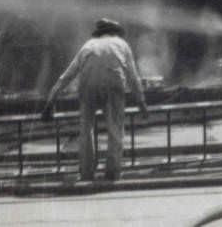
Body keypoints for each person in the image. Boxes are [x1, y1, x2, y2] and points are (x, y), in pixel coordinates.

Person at [41, 18, 149, 181]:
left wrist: (50, 102)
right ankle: (112, 173)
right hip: (113, 83)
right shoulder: (121, 44)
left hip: (87, 85)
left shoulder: (88, 45)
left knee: (86, 130)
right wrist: (141, 102)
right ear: (115, 32)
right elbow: (133, 77)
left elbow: (67, 76)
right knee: (115, 130)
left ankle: (86, 173)